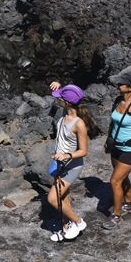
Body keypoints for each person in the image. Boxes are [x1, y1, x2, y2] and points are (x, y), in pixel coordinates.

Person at [46, 82, 97, 242]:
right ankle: (66, 225)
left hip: (72, 166)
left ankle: (78, 222)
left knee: (53, 199)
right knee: (63, 197)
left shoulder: (78, 123)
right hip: (61, 163)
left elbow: (83, 151)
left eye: (60, 98)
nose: (57, 100)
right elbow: (66, 96)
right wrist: (58, 85)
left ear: (66, 102)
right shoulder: (64, 112)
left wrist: (65, 155)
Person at [101, 68, 131, 230]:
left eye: (121, 83)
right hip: (115, 146)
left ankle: (116, 215)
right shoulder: (118, 101)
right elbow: (113, 123)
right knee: (122, 178)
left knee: (115, 181)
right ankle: (129, 204)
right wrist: (109, 139)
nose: (118, 85)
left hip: (130, 149)